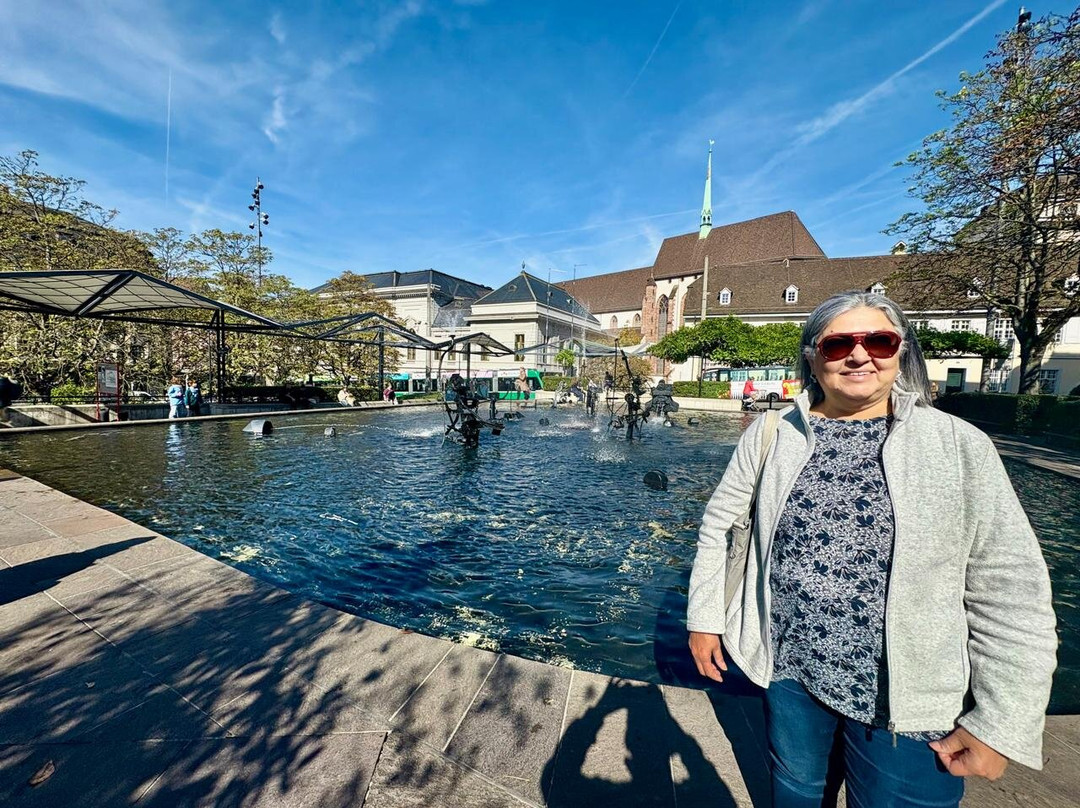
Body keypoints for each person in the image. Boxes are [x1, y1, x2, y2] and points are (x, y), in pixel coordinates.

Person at [687, 290, 1056, 808]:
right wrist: (706, 617)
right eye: (838, 344)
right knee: (796, 793)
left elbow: (1010, 589)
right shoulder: (773, 432)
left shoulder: (956, 443)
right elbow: (721, 525)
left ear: (901, 352)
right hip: (792, 668)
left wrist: (1000, 722)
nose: (859, 355)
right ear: (813, 357)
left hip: (910, 698)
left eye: (879, 341)